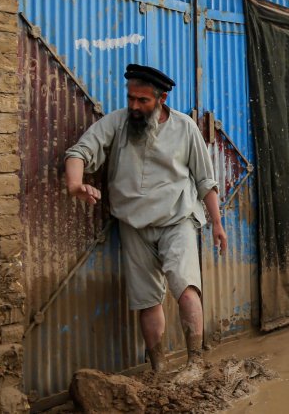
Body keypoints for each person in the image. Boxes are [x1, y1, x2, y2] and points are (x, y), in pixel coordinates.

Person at [64, 64, 227, 371]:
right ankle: (159, 369)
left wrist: (217, 223)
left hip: (176, 220)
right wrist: (75, 185)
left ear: (161, 98)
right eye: (131, 99)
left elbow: (206, 179)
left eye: (143, 101)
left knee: (186, 289)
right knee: (146, 301)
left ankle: (195, 364)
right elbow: (79, 152)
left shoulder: (185, 127)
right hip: (133, 226)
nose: (135, 107)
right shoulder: (117, 123)